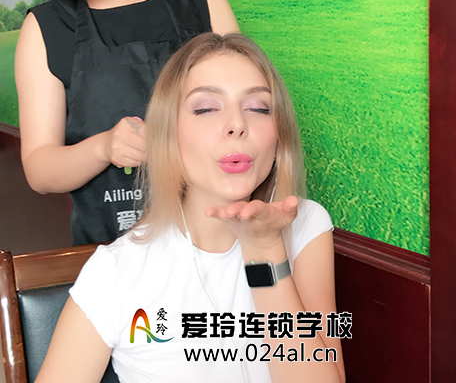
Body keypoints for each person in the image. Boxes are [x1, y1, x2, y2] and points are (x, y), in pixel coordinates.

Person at [35, 33, 346, 383]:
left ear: (280, 133)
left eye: (258, 108)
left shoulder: (305, 225)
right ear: (168, 132)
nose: (237, 125)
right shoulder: (115, 273)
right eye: (206, 108)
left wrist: (265, 254)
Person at [15, 0, 239, 246]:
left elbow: (247, 119)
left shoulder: (205, 1)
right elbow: (39, 169)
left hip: (216, 247)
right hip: (111, 257)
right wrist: (104, 148)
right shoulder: (47, 29)